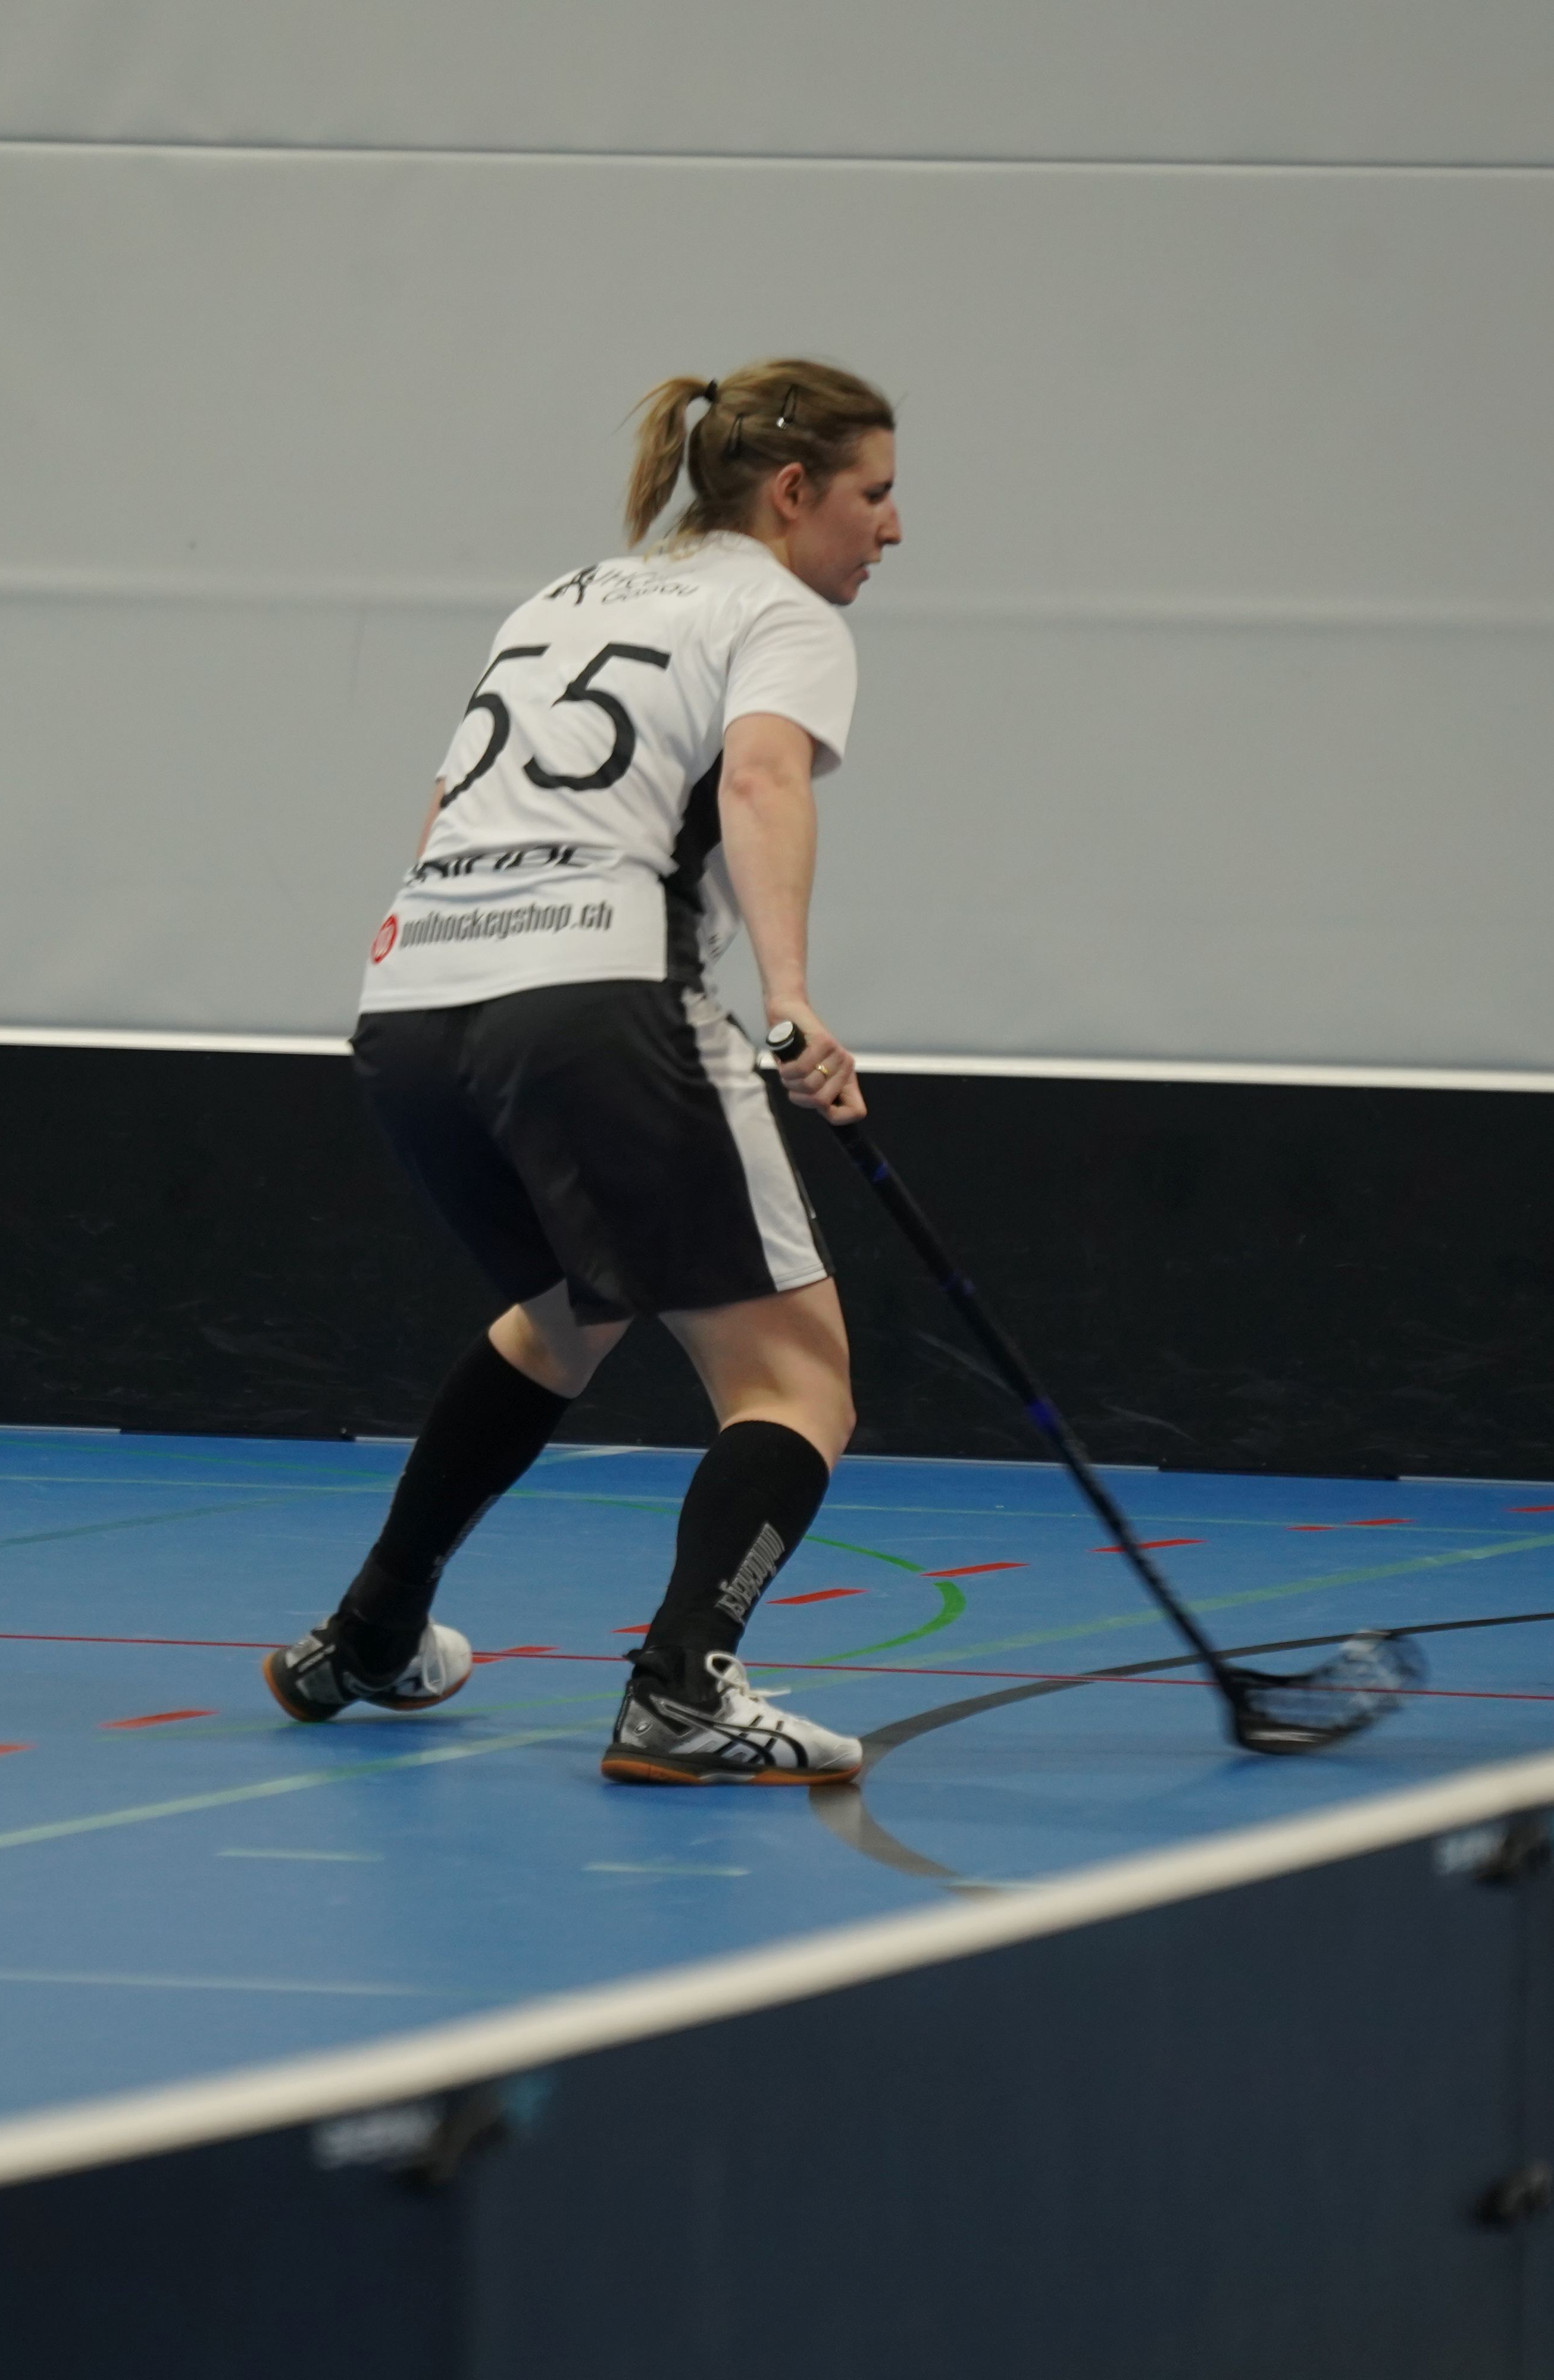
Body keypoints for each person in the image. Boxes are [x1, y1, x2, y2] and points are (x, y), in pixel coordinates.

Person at [262, 358, 900, 1784]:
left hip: (413, 1002)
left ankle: (371, 1630)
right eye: (874, 493)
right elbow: (761, 780)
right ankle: (682, 1687)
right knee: (798, 1381)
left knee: (569, 1311)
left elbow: (447, 804)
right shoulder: (780, 611)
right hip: (599, 999)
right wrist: (792, 1001)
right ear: (794, 491)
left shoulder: (562, 597)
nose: (893, 526)